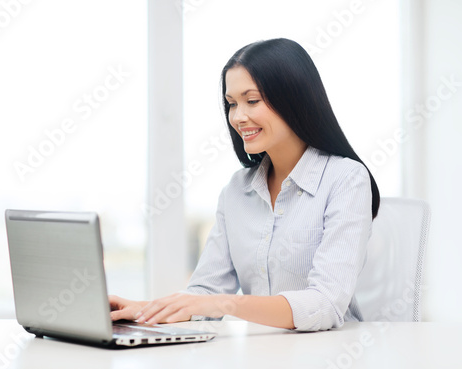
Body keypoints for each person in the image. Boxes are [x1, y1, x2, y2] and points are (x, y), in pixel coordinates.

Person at [109, 38, 380, 331]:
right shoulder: (237, 190)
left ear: (293, 99)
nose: (238, 117)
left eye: (252, 101)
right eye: (231, 104)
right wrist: (146, 310)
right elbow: (206, 293)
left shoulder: (346, 179)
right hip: (261, 354)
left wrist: (228, 305)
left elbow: (324, 305)